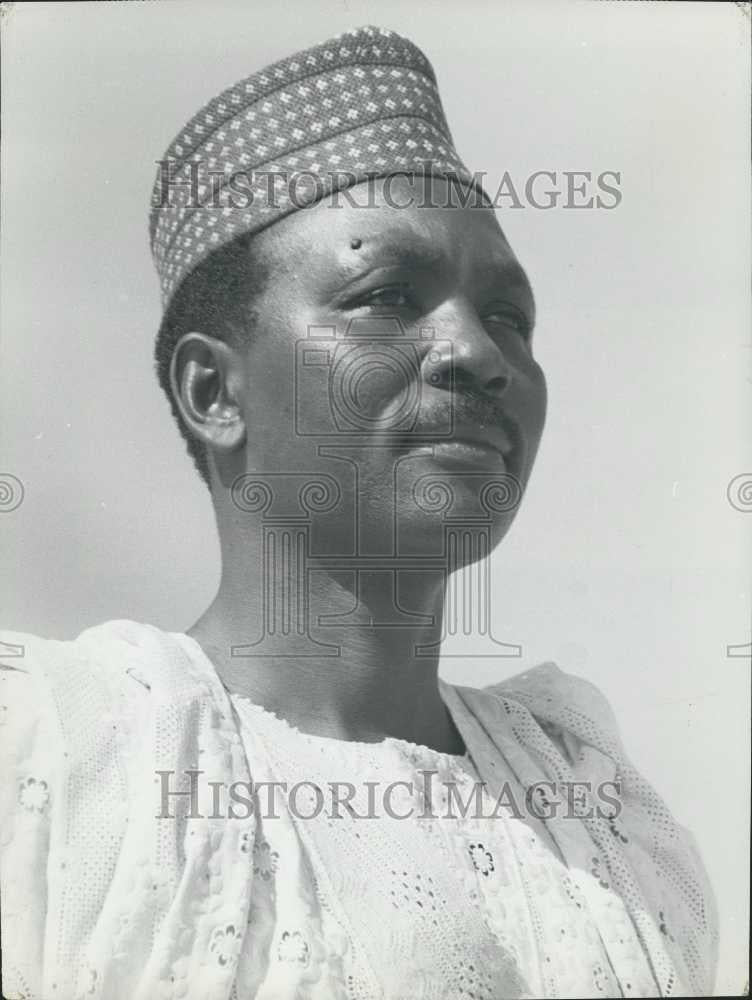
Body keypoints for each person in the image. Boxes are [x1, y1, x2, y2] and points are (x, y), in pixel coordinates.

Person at [0, 25, 717, 1000]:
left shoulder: (602, 821)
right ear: (215, 391)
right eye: (385, 295)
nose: (476, 352)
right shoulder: (61, 759)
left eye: (509, 315)